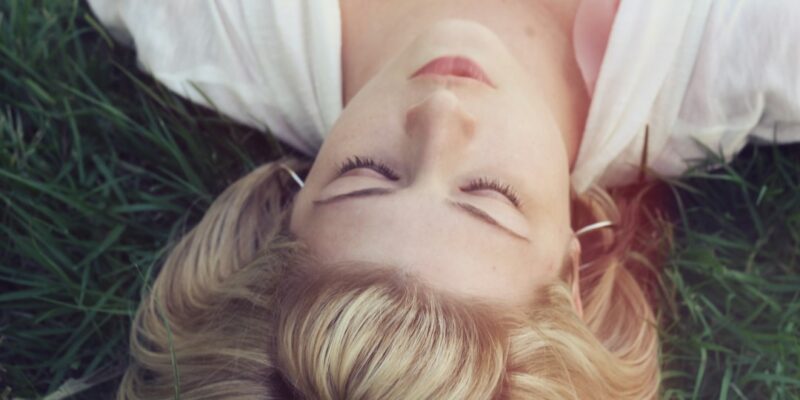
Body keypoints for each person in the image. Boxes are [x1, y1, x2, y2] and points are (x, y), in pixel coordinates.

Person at [88, 1, 800, 399]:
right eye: (488, 196)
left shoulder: (206, 23)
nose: (440, 115)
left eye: (365, 174)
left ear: (286, 211)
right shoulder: (753, 47)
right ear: (568, 273)